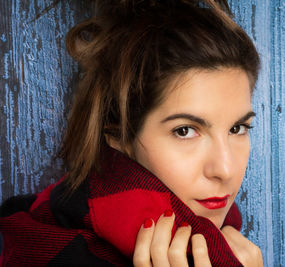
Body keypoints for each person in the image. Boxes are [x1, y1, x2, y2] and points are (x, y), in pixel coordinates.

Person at [0, 0, 263, 266]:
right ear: (118, 137)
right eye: (185, 131)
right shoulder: (51, 255)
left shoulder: (225, 246)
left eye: (237, 128)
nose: (225, 169)